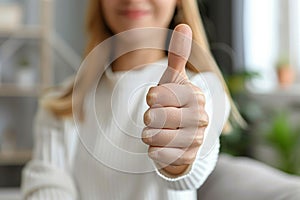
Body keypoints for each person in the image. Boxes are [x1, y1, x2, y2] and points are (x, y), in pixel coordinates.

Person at [22, 0, 297, 199]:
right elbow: (48, 180)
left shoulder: (200, 89)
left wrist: (179, 157)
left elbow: (190, 169)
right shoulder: (61, 101)